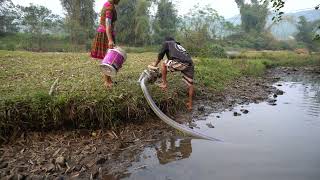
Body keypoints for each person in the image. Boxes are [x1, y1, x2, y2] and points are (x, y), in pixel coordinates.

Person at [149, 37, 195, 111]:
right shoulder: (178, 46)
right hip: (190, 64)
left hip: (180, 62)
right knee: (190, 84)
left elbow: (160, 55)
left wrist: (155, 65)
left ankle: (164, 84)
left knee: (164, 63)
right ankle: (190, 105)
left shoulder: (167, 43)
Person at [90, 0, 120, 88]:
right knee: (108, 58)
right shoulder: (109, 8)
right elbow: (108, 25)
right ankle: (106, 81)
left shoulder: (108, 4)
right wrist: (110, 40)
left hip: (107, 33)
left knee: (108, 58)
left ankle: (109, 79)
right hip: (106, 34)